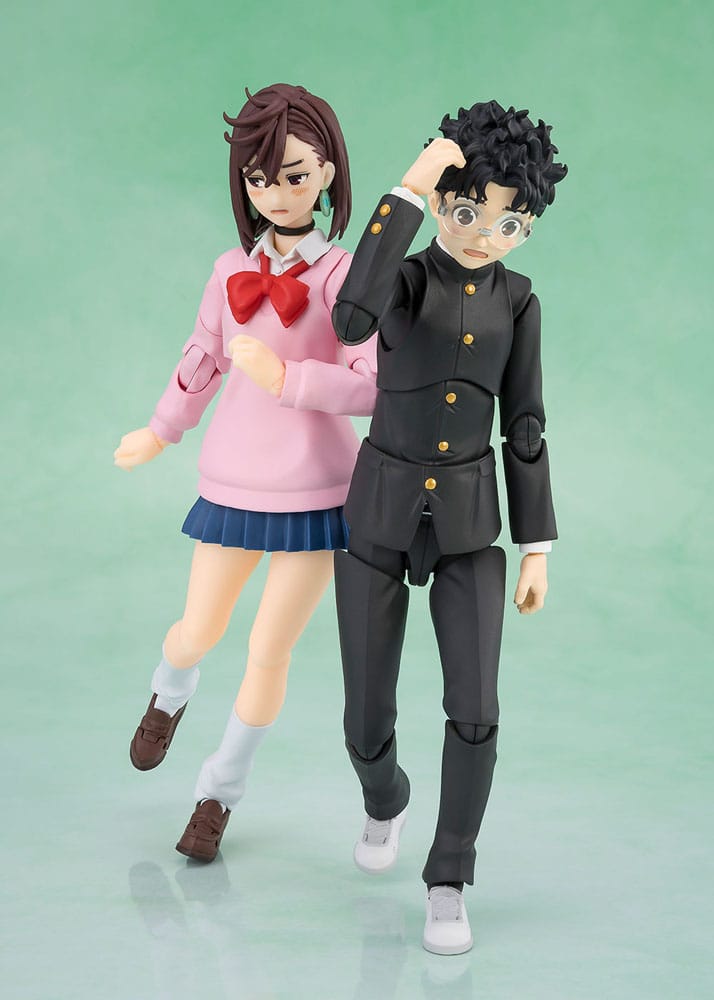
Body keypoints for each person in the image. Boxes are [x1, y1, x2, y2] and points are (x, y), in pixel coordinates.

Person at [114, 83, 377, 862]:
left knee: (270, 649)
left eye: (294, 175)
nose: (276, 193)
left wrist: (289, 379)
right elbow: (201, 356)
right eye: (259, 178)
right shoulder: (230, 268)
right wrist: (161, 429)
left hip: (320, 490)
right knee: (199, 629)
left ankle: (218, 792)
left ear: (327, 172)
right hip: (233, 478)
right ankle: (170, 690)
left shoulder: (347, 276)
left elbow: (372, 383)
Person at [331, 100, 567, 955]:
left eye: (508, 223)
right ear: (441, 203)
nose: (483, 236)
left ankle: (448, 875)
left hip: (470, 525)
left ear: (527, 228)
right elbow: (349, 318)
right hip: (379, 511)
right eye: (467, 212)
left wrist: (536, 545)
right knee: (365, 715)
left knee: (475, 708)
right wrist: (408, 185)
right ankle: (383, 796)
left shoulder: (521, 300)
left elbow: (525, 425)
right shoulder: (403, 280)